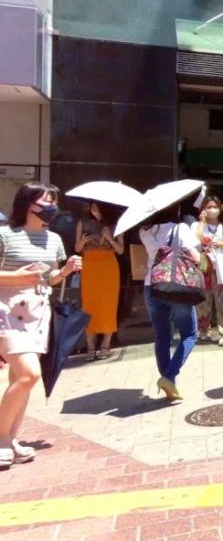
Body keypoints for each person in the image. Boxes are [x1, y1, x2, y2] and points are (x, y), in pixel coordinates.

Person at [0, 183, 83, 467]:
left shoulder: (54, 239)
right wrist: (16, 278)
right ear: (28, 202)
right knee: (28, 375)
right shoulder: (5, 235)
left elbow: (49, 279)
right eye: (46, 199)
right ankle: (0, 437)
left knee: (19, 380)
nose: (52, 205)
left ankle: (11, 438)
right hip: (7, 310)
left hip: (38, 310)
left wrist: (67, 270)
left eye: (54, 200)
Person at [139, 200, 200, 402]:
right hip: (176, 288)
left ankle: (169, 385)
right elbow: (195, 258)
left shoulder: (145, 231)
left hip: (152, 286)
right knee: (190, 334)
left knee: (162, 337)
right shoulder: (180, 228)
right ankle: (168, 377)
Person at [76, 202, 123, 361]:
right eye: (91, 206)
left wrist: (109, 238)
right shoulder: (82, 222)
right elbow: (77, 248)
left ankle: (105, 344)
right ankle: (90, 346)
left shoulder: (116, 224)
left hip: (108, 265)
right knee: (89, 305)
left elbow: (121, 250)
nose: (93, 209)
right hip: (89, 264)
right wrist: (83, 241)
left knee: (108, 304)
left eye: (96, 206)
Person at [191, 196, 223, 346]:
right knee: (203, 301)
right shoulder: (196, 225)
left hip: (222, 267)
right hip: (203, 264)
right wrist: (202, 223)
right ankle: (204, 331)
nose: (212, 210)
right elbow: (193, 241)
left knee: (222, 302)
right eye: (208, 207)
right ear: (203, 209)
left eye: (214, 207)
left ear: (220, 209)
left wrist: (221, 243)